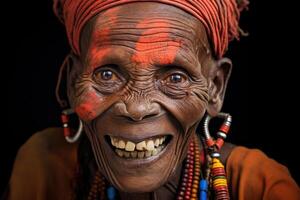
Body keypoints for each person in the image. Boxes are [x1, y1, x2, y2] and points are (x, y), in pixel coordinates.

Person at [3, 0, 300, 200]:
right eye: (107, 74)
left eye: (175, 78)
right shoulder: (44, 170)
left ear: (215, 87)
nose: (137, 108)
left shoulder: (259, 186)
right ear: (71, 81)